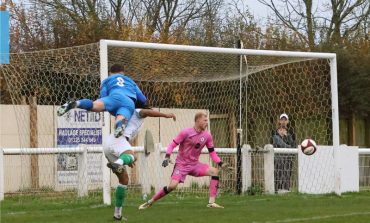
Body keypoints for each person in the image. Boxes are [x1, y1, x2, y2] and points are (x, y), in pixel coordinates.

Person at [138, 112, 229, 210]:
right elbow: (172, 145)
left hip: (195, 165)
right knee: (172, 186)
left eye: (207, 120)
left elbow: (212, 153)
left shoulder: (207, 136)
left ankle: (211, 202)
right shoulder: (185, 132)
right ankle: (150, 202)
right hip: (181, 165)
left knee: (215, 171)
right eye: (205, 120)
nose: (207, 122)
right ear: (198, 120)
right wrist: (167, 157)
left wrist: (221, 163)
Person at [104, 108, 176, 221]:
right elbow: (146, 112)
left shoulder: (129, 113)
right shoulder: (137, 110)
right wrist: (165, 115)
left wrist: (126, 158)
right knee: (135, 156)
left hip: (110, 144)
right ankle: (119, 163)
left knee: (124, 180)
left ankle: (117, 214)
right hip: (118, 141)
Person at [57, 64, 147, 138]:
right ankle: (119, 124)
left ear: (110, 73)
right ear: (123, 73)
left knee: (93, 105)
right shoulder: (130, 81)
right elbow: (143, 99)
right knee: (121, 116)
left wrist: (105, 106)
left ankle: (77, 103)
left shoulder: (106, 80)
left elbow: (103, 96)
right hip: (128, 101)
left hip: (113, 97)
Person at [271, 113, 296, 193]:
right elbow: (273, 143)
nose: (283, 121)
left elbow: (293, 145)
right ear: (279, 121)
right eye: (282, 119)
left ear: (288, 121)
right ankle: (276, 190)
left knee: (286, 174)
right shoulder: (274, 132)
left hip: (287, 158)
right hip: (277, 158)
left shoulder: (291, 133)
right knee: (277, 173)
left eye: (285, 120)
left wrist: (286, 136)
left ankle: (286, 190)